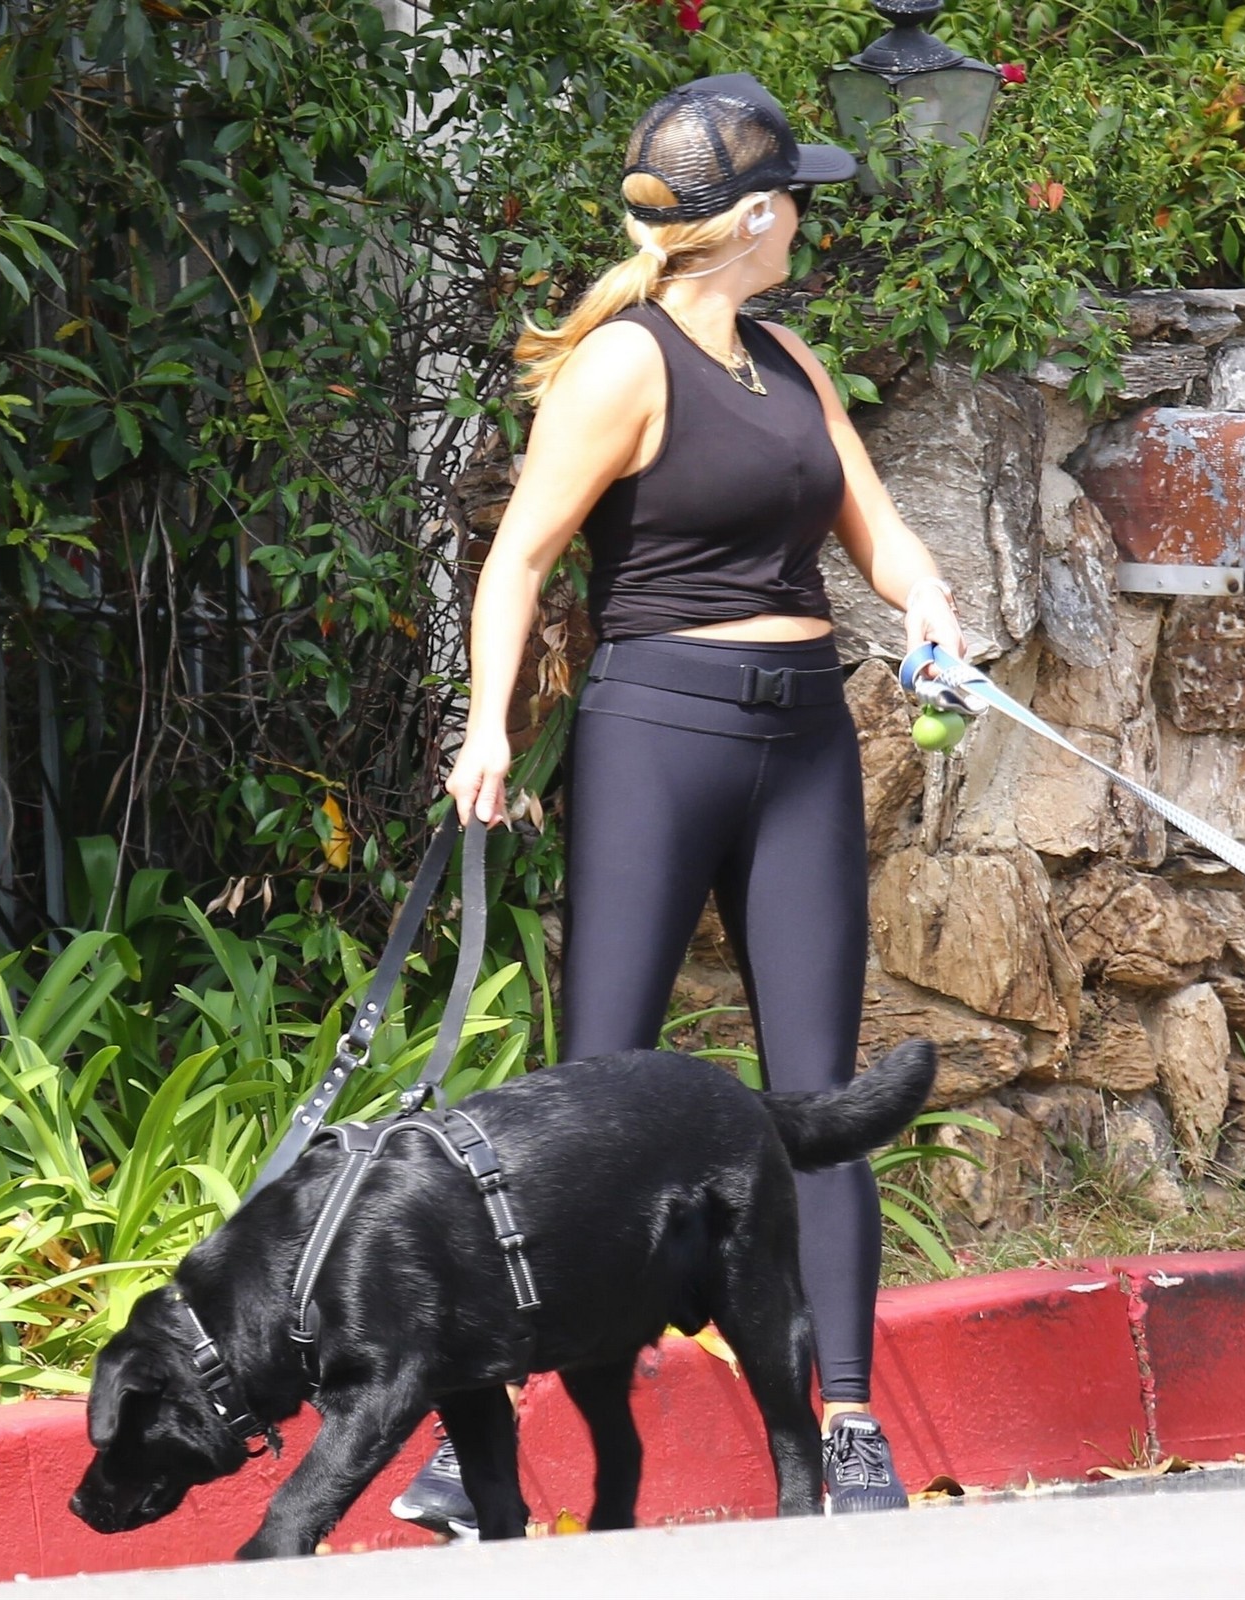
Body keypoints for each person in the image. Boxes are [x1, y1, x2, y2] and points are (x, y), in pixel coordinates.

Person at [397, 72, 967, 1532]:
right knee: (596, 1095)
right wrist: (488, 727)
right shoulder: (625, 365)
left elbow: (880, 532)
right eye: (799, 202)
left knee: (818, 1088)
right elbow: (521, 558)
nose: (810, 223)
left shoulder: (790, 360)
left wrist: (929, 609)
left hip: (806, 738)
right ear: (755, 215)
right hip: (660, 730)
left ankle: (848, 1426)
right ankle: (491, 1436)